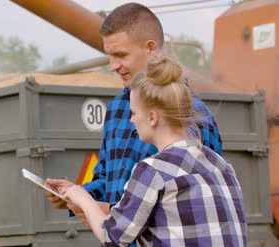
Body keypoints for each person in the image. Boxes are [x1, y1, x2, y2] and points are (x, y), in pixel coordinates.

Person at [44, 2, 222, 231]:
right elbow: (108, 181)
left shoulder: (194, 116)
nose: (113, 66)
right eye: (109, 56)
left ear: (150, 48)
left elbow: (195, 208)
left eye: (120, 55)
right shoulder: (117, 109)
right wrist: (76, 194)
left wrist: (100, 209)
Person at [63, 56, 247, 246]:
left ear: (152, 117)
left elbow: (112, 237)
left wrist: (82, 197)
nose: (131, 120)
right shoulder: (221, 165)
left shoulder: (152, 171)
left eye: (133, 113)